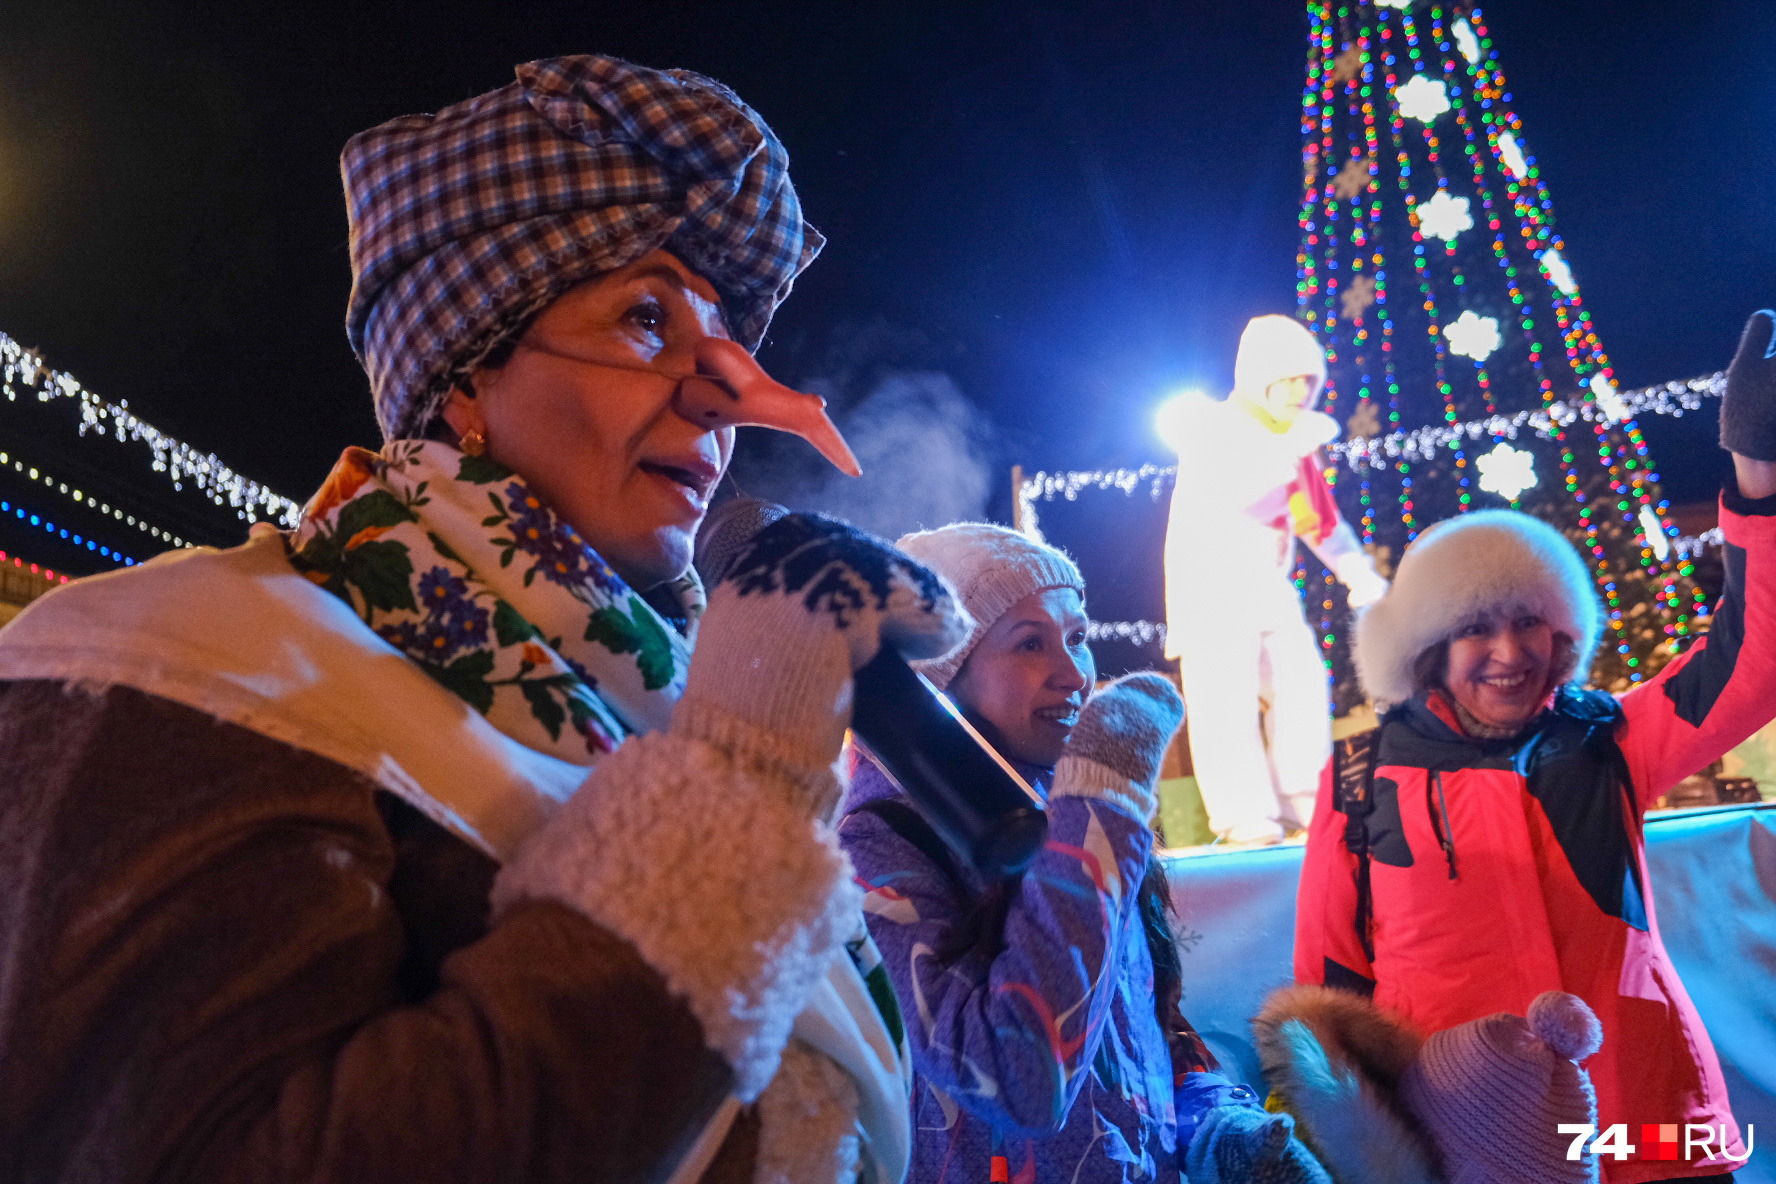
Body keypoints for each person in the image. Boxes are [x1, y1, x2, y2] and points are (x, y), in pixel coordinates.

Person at [0, 54, 965, 1183]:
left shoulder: (639, 692)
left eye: (724, 347)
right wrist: (737, 784)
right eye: (645, 317)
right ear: (463, 375)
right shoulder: (190, 660)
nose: (720, 395)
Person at [1294, 311, 1776, 1183]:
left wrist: (1758, 471)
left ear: (1563, 634)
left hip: (1646, 1124)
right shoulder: (1362, 778)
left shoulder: (1608, 739)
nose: (1510, 652)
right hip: (1471, 1137)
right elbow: (1330, 987)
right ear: (1429, 648)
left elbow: (1755, 659)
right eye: (1476, 627)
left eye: (1530, 622)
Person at [838, 523, 1218, 1183]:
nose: (1074, 674)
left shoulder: (1065, 811)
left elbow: (1142, 1031)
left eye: (1077, 638)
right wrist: (1103, 808)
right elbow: (1018, 1081)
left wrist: (1219, 1122)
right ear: (939, 679)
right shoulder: (877, 845)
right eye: (1030, 643)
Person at [1163, 314, 1388, 845]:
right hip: (1213, 589)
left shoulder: (1291, 440)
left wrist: (1361, 575)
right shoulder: (1213, 427)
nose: (1300, 391)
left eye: (1309, 380)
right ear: (1259, 377)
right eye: (1287, 378)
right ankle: (1244, 815)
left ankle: (1303, 803)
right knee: (1225, 698)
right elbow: (1244, 490)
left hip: (1267, 586)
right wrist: (1291, 450)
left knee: (1304, 685)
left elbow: (1320, 522)